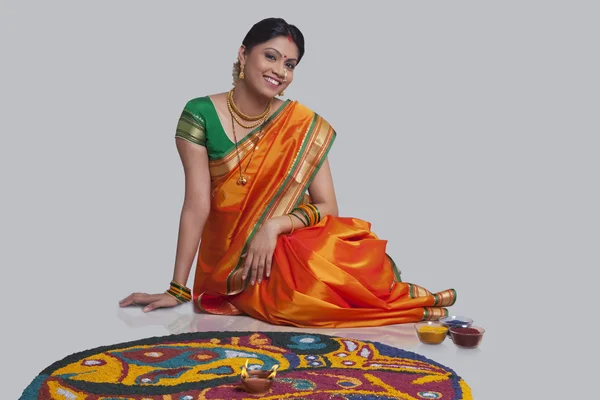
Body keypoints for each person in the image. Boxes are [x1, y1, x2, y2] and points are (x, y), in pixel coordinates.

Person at [119, 17, 457, 328]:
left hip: (285, 242)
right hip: (233, 263)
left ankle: (406, 305)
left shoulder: (302, 125)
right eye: (271, 56)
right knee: (297, 303)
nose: (280, 70)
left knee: (341, 273)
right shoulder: (200, 113)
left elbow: (328, 207)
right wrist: (178, 289)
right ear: (242, 54)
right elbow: (196, 206)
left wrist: (274, 226)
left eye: (290, 64)